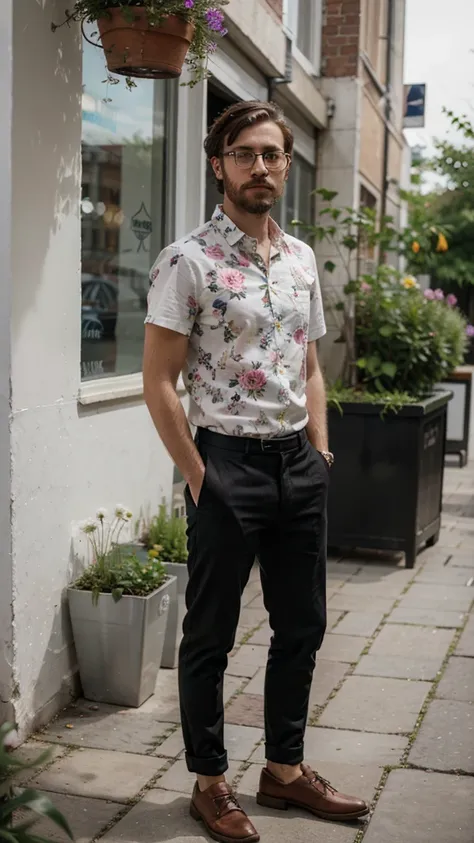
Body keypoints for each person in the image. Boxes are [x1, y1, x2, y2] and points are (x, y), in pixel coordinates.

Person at [143, 100, 369, 843]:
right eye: (246, 154)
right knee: (210, 632)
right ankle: (211, 781)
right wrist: (202, 476)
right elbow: (158, 382)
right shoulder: (188, 260)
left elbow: (310, 366)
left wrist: (321, 448)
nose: (263, 166)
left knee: (302, 623)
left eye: (273, 154)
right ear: (219, 164)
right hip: (227, 463)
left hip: (298, 464)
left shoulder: (301, 258)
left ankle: (284, 770)